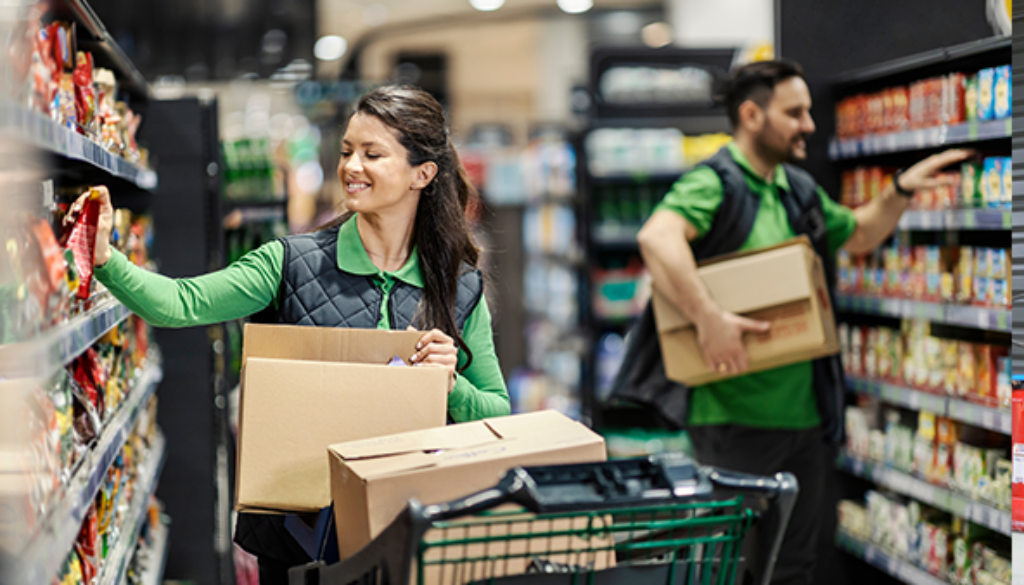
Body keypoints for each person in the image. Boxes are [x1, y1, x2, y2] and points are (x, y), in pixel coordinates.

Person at [80, 85, 511, 584]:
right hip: (298, 540)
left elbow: (497, 411)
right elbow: (182, 303)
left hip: (406, 532)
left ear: (423, 174)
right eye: (348, 151)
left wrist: (449, 382)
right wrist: (105, 260)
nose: (352, 166)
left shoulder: (458, 287)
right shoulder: (291, 263)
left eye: (373, 154)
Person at [614, 60, 968, 584]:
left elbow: (862, 234)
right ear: (752, 115)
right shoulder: (717, 184)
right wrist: (708, 317)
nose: (809, 124)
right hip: (732, 416)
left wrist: (900, 187)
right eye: (795, 112)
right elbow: (658, 238)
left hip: (804, 419)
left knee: (793, 568)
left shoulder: (796, 189)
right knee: (734, 564)